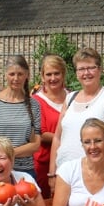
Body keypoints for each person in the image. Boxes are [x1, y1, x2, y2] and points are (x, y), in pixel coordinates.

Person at [49, 48, 104, 184]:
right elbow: (57, 138)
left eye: (91, 68)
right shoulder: (70, 98)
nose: (86, 73)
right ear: (76, 73)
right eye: (81, 69)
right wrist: (52, 174)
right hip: (64, 176)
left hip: (97, 177)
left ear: (100, 70)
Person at [0, 55, 41, 177]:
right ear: (5, 74)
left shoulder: (34, 105)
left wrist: (8, 154)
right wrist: (4, 158)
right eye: (12, 74)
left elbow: (35, 144)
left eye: (20, 74)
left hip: (25, 170)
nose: (16, 78)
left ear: (27, 75)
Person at [32, 54, 69, 198]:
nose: (53, 78)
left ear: (63, 74)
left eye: (56, 73)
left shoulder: (73, 97)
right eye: (48, 74)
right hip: (44, 165)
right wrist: (67, 138)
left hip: (69, 162)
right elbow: (41, 134)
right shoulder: (36, 101)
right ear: (42, 76)